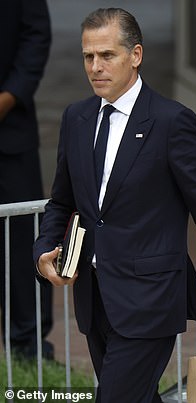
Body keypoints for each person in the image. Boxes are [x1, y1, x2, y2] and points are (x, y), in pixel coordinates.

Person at [32, 8, 196, 402]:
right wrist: (42, 252)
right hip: (95, 298)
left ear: (135, 55)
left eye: (107, 55)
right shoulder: (77, 118)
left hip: (151, 300)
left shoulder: (172, 122)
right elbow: (62, 200)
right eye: (88, 57)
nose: (95, 67)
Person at [0, 0, 53, 360]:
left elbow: (36, 36)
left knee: (22, 240)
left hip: (10, 135)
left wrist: (7, 99)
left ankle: (28, 349)